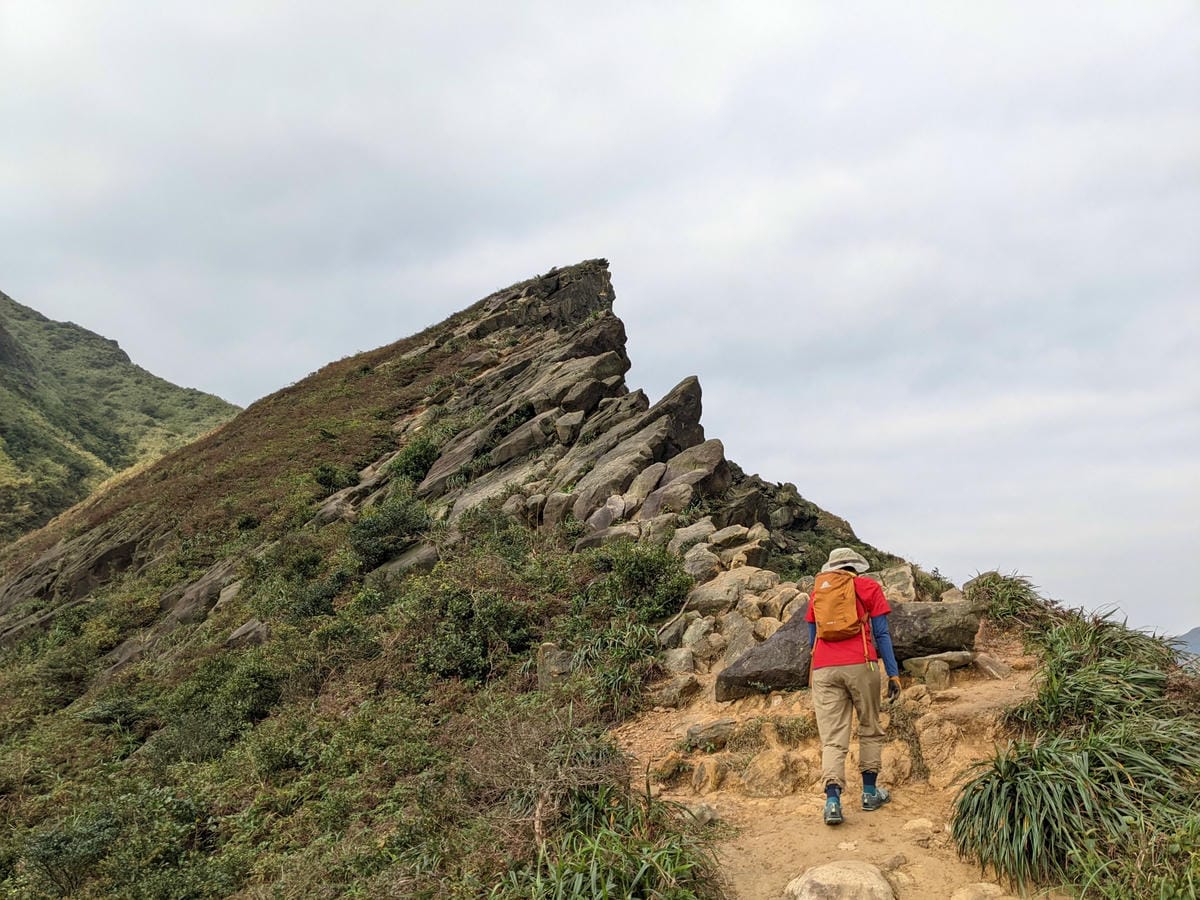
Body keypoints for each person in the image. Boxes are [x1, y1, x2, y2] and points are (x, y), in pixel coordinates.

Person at [806, 547, 902, 826]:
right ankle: (870, 794)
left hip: (824, 669)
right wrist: (893, 674)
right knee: (870, 727)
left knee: (833, 738)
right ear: (855, 568)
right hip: (862, 664)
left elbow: (813, 638)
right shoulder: (868, 587)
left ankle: (833, 801)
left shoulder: (818, 593)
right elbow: (882, 633)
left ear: (832, 567)